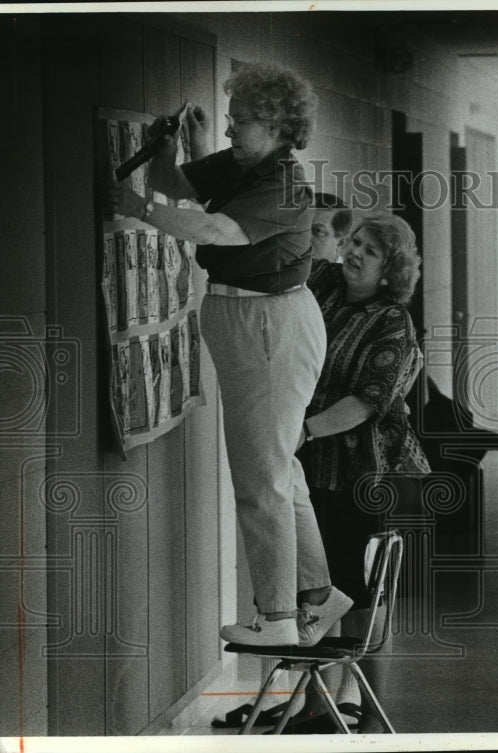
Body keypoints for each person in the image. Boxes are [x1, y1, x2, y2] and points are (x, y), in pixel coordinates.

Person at [107, 63, 352, 647]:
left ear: (278, 126)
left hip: (268, 321)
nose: (231, 129)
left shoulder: (285, 185)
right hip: (249, 318)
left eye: (242, 121)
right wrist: (167, 145)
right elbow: (180, 185)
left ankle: (277, 618)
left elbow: (218, 231)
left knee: (259, 478)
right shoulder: (245, 163)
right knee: (278, 469)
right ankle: (316, 595)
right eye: (231, 119)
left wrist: (137, 209)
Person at [290, 211, 431, 733]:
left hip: (365, 473)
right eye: (355, 243)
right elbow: (302, 253)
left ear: (390, 270)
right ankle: (317, 704)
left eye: (369, 251)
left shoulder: (392, 320)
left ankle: (372, 712)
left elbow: (370, 400)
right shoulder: (326, 284)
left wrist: (304, 429)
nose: (353, 253)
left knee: (359, 593)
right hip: (310, 465)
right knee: (313, 587)